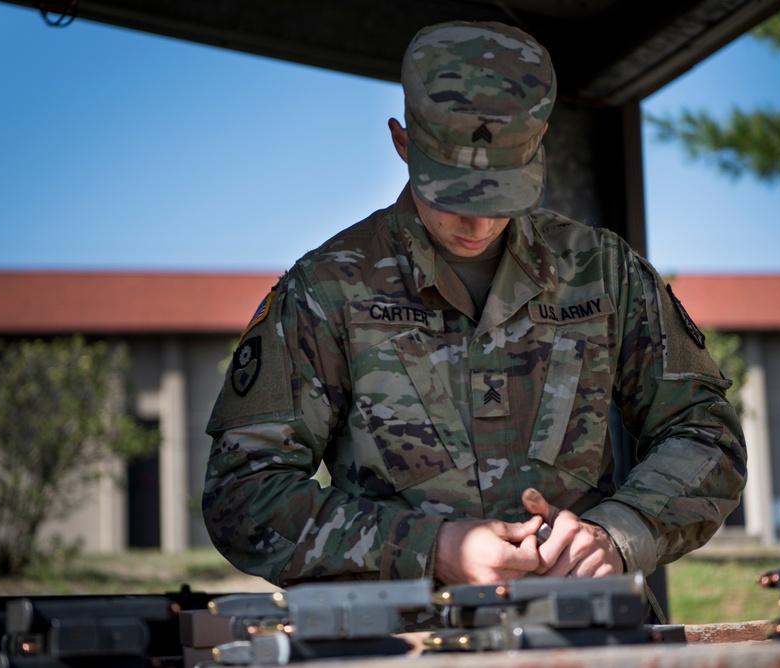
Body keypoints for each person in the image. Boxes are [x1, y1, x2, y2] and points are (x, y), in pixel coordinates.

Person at [203, 20, 746, 594]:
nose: (479, 223)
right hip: (402, 645)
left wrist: (617, 533)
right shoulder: (328, 288)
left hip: (583, 631)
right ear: (402, 143)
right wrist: (430, 548)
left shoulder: (602, 270)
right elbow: (243, 495)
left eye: (502, 194)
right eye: (454, 194)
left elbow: (706, 433)